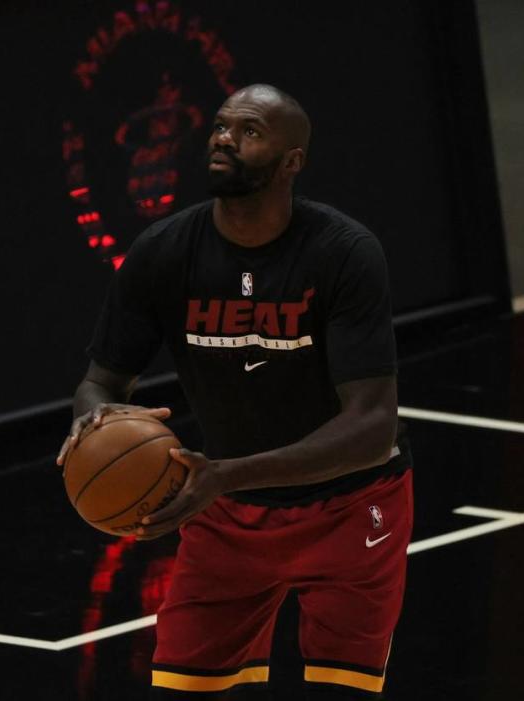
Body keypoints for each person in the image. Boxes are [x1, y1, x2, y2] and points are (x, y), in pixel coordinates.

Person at [56, 84, 413, 700]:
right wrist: (93, 420)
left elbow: (372, 426)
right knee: (181, 688)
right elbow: (100, 382)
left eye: (249, 131)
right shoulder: (163, 251)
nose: (224, 137)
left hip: (351, 507)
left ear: (291, 160)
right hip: (226, 517)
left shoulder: (344, 253)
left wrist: (223, 475)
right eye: (221, 126)